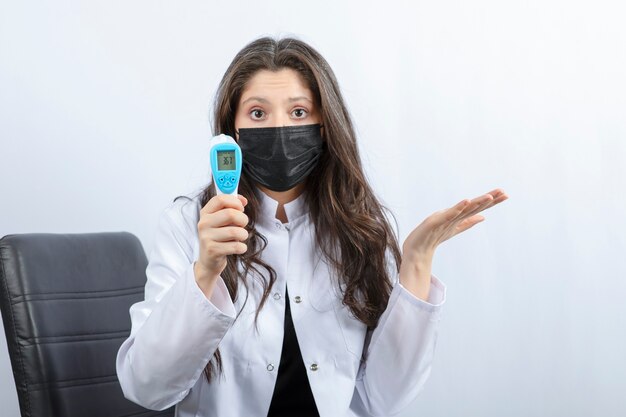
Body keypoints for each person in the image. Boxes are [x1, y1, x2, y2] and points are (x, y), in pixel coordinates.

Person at [116, 36, 508, 417]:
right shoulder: (188, 224)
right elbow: (146, 387)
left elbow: (384, 399)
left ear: (324, 126)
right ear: (231, 133)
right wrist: (204, 273)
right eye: (257, 113)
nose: (279, 129)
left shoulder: (360, 228)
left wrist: (417, 263)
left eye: (298, 112)